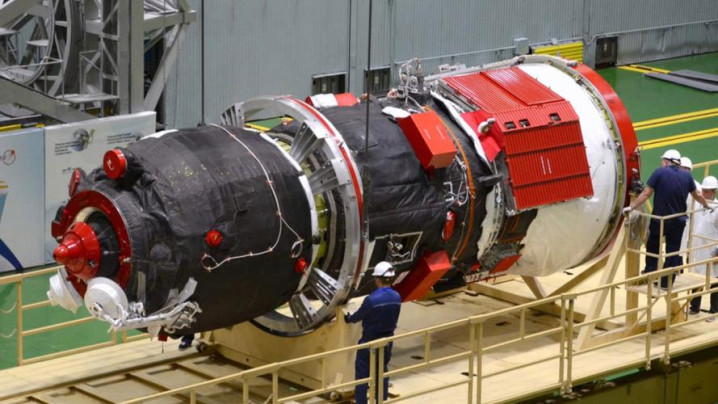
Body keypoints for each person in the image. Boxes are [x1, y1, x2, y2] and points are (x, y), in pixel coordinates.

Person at [624, 149, 711, 288]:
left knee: (653, 245)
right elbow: (697, 195)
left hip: (660, 220)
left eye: (662, 160)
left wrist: (632, 207)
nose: (661, 163)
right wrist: (706, 205)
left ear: (667, 161)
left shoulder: (659, 172)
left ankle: (650, 272)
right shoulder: (687, 176)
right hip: (678, 221)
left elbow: (646, 193)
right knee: (673, 251)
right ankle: (666, 283)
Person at [345, 261, 402, 404]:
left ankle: (361, 402)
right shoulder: (397, 297)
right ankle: (381, 400)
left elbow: (359, 316)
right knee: (382, 370)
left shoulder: (371, 300)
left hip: (370, 341)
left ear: (377, 279)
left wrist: (349, 318)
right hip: (387, 340)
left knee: (363, 374)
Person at [687, 176, 718, 320]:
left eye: (707, 191)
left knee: (714, 281)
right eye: (703, 191)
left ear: (713, 192)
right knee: (696, 278)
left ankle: (714, 311)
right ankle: (694, 307)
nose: (703, 194)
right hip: (697, 249)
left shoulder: (717, 208)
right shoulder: (699, 206)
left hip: (711, 251)